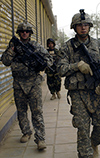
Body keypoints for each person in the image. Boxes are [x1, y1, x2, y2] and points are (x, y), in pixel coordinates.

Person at [57, 9, 100, 158]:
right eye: (79, 25)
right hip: (78, 93)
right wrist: (76, 66)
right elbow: (60, 68)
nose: (83, 27)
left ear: (89, 26)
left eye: (86, 25)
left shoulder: (99, 45)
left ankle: (93, 143)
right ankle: (86, 154)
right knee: (82, 127)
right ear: (74, 27)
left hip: (97, 91)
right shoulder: (67, 47)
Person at [1, 20, 53, 150]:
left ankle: (40, 139)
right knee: (21, 111)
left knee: (37, 111)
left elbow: (49, 59)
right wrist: (12, 51)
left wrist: (40, 64)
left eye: (27, 31)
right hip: (18, 83)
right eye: (22, 31)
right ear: (19, 33)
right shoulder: (13, 45)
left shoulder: (35, 46)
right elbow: (5, 61)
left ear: (30, 33)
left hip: (33, 83)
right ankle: (26, 132)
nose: (24, 33)